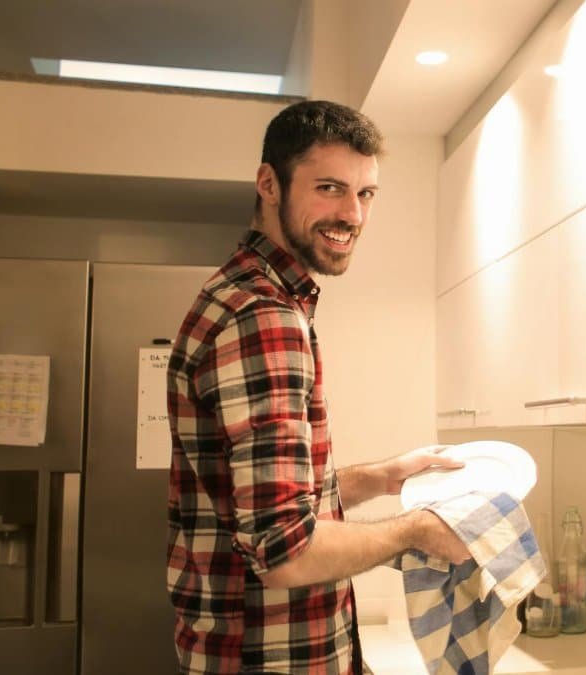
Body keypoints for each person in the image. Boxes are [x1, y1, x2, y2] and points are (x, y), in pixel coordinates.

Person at [165, 100, 471, 675]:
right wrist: (419, 532)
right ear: (269, 184)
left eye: (366, 194)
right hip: (270, 656)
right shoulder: (264, 315)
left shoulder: (253, 295)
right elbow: (284, 550)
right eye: (330, 188)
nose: (352, 214)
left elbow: (260, 499)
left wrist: (384, 477)